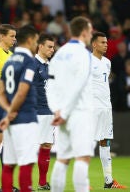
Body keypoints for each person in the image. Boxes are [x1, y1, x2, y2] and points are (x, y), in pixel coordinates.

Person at [46, 16, 94, 192]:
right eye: (90, 31)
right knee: (82, 158)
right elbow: (79, 85)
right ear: (83, 32)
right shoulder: (84, 54)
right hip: (79, 112)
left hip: (61, 114)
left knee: (62, 159)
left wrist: (56, 110)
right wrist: (64, 112)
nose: (91, 34)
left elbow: (50, 84)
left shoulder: (59, 54)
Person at [0, 25, 39, 192]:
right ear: (29, 40)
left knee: (8, 165)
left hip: (11, 121)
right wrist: (12, 111)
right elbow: (22, 92)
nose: (36, 44)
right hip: (25, 118)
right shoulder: (29, 61)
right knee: (26, 164)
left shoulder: (9, 61)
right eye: (36, 41)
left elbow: (0, 92)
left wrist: (7, 110)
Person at [90, 32, 127, 189]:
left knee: (105, 142)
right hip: (92, 108)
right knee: (88, 143)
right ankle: (82, 181)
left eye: (106, 42)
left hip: (106, 107)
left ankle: (109, 181)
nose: (106, 45)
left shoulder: (107, 62)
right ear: (94, 44)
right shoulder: (86, 61)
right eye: (102, 42)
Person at [0, 24, 16, 192]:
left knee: (8, 143)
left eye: (15, 36)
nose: (14, 39)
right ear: (2, 37)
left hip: (8, 101)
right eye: (12, 36)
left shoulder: (12, 55)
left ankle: (6, 184)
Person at [32, 33, 55, 190]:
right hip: (35, 112)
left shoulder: (50, 66)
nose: (52, 50)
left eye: (53, 47)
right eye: (49, 46)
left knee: (46, 145)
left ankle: (42, 182)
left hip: (48, 111)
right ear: (40, 46)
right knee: (28, 148)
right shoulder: (32, 64)